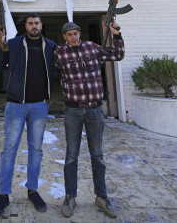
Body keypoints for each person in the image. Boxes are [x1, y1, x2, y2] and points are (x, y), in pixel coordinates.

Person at [53, 21, 125, 219]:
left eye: (75, 33)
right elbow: (49, 70)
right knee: (71, 155)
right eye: (69, 34)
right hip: (73, 111)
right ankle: (70, 197)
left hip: (94, 109)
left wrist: (116, 34)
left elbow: (118, 55)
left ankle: (101, 197)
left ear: (80, 33)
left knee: (98, 155)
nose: (73, 37)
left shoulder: (92, 47)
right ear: (64, 37)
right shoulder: (59, 52)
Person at [0, 13, 57, 218]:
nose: (33, 26)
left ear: (41, 25)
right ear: (26, 26)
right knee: (9, 149)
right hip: (16, 105)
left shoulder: (51, 45)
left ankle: (33, 190)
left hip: (39, 105)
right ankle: (3, 194)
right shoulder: (15, 43)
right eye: (30, 23)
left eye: (37, 23)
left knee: (36, 150)